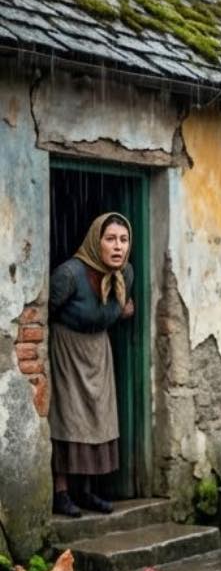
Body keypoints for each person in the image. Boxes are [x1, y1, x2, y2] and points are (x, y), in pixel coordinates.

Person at [48, 212, 135, 517]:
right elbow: (46, 312)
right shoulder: (69, 275)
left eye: (123, 240)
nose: (118, 247)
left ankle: (85, 491)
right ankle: (61, 493)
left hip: (99, 349)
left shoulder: (126, 275)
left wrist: (121, 312)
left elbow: (114, 306)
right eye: (110, 239)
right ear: (95, 241)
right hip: (67, 349)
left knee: (98, 418)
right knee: (68, 417)